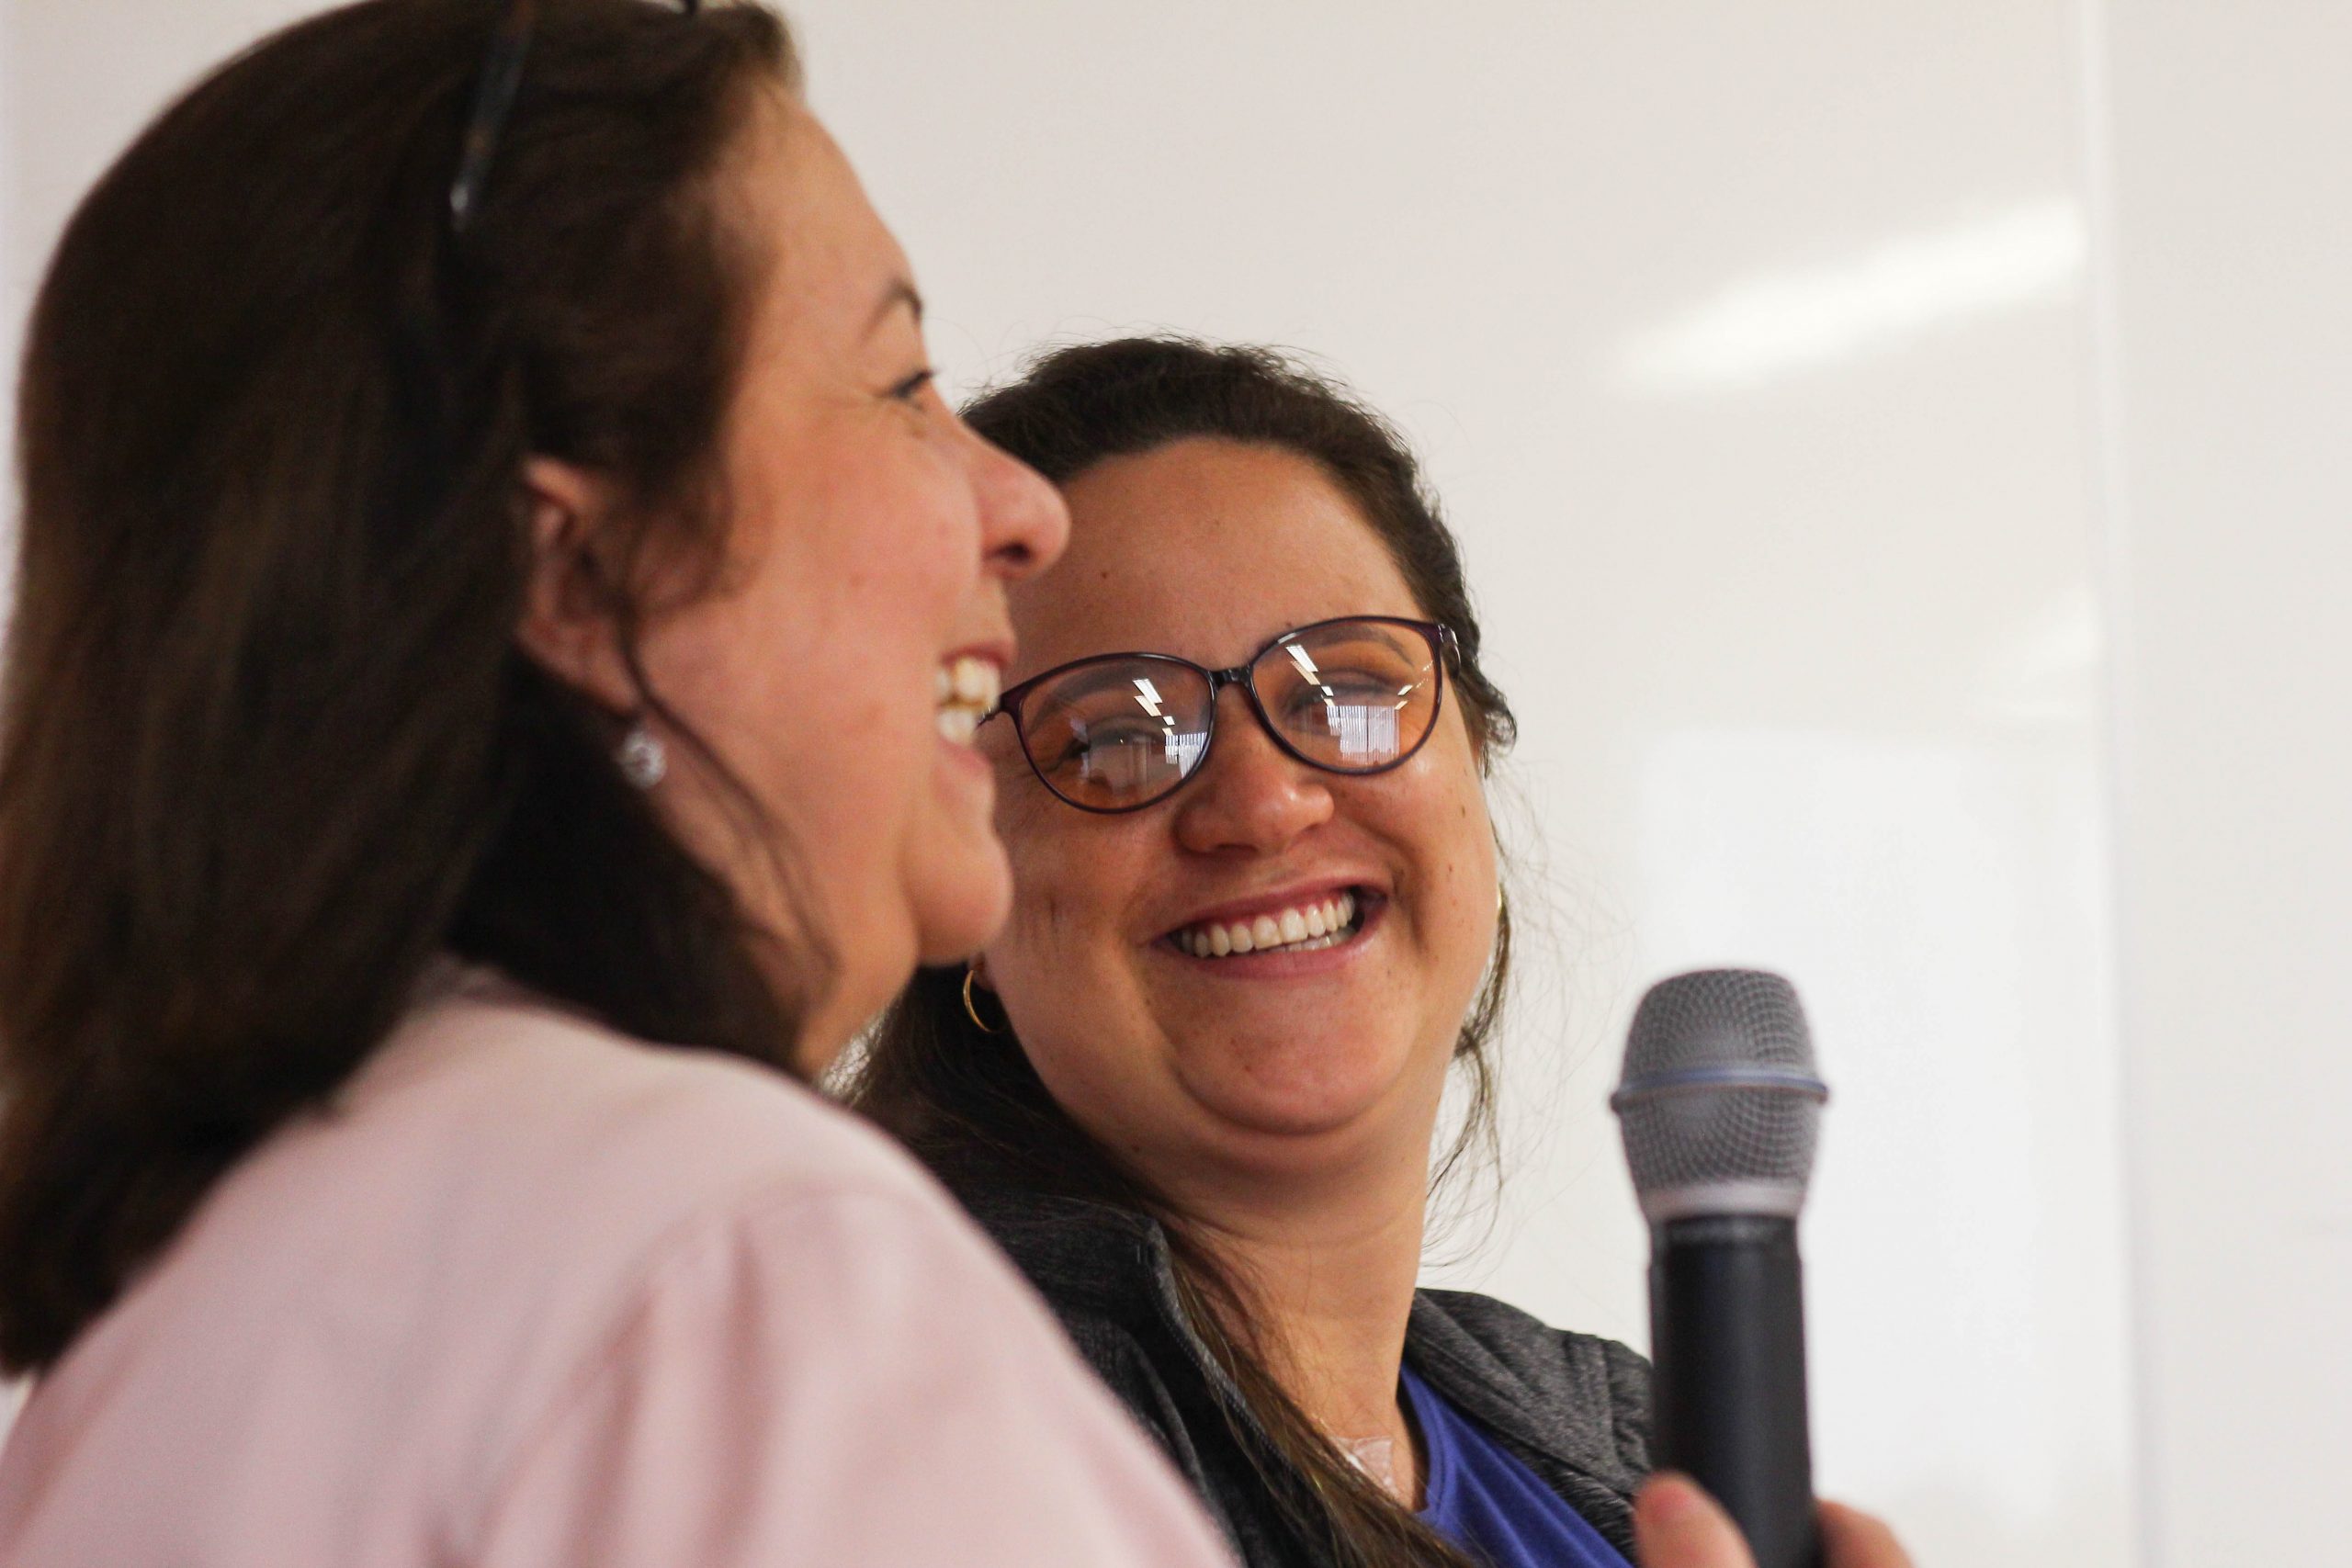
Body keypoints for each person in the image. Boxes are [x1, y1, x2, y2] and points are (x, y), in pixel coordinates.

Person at [0, 7, 1237, 1566]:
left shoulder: (139, 1364)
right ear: (575, 576)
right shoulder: (737, 1280)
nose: (1025, 508)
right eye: (900, 382)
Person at [854, 337, 1914, 1568]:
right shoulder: (919, 1451)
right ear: (965, 876)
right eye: (1113, 738)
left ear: (1475, 759)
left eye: (1343, 692)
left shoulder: (1616, 1439)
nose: (1264, 801)